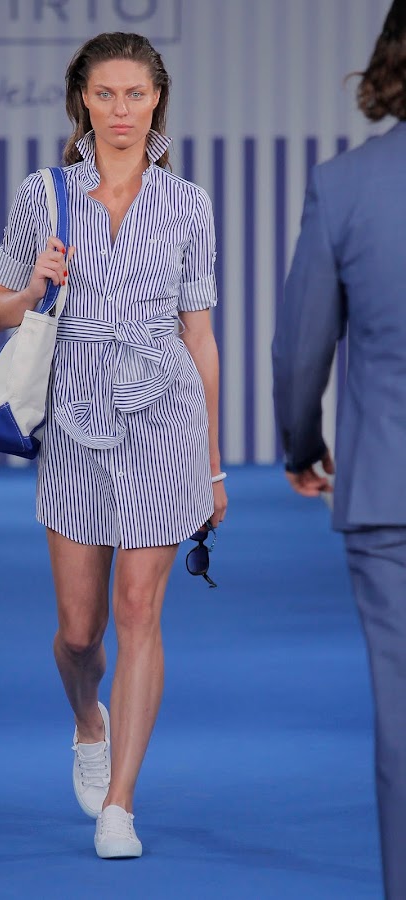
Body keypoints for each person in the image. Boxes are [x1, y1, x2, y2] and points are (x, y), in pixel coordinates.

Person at [0, 32, 227, 858]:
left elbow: (200, 337)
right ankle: (88, 719)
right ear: (81, 102)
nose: (121, 110)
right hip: (75, 418)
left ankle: (120, 805)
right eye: (105, 94)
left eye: (136, 94)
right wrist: (34, 286)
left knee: (138, 612)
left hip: (164, 413)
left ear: (157, 100)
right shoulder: (44, 195)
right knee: (81, 632)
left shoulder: (188, 203)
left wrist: (214, 465)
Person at [272, 2, 406, 896]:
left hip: (391, 492)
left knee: (403, 723)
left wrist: (303, 446)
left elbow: (300, 350)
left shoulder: (346, 184)